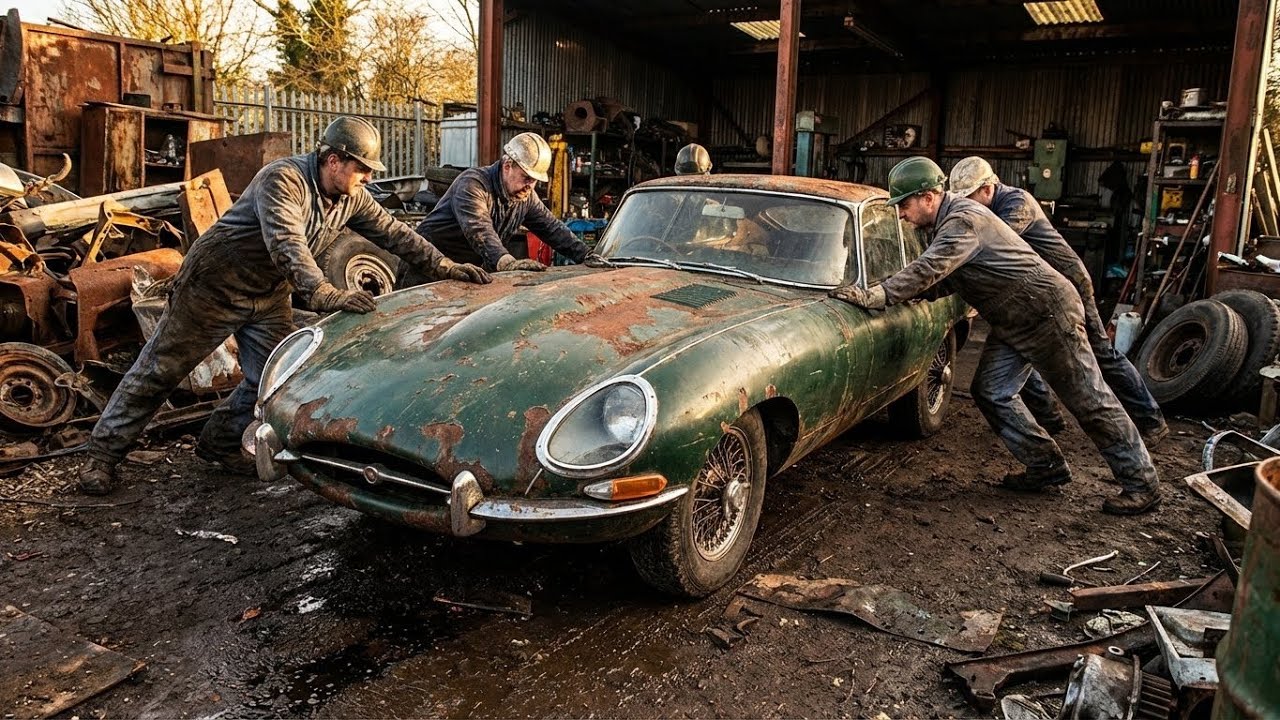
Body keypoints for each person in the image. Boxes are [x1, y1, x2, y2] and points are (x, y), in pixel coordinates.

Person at [78, 116, 491, 495]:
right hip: (215, 282)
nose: (367, 178)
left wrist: (446, 265)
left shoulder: (352, 196)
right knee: (161, 368)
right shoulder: (283, 179)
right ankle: (101, 457)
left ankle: (218, 442)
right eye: (362, 169)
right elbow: (286, 244)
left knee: (272, 378)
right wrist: (325, 293)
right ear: (334, 160)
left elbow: (395, 233)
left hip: (268, 291)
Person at [830, 156, 1160, 515]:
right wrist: (909, 295)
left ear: (928, 196)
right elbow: (949, 279)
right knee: (991, 392)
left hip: (1046, 313)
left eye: (904, 204)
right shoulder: (944, 224)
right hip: (1015, 318)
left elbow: (930, 269)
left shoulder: (962, 221)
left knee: (1089, 399)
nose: (901, 214)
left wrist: (879, 295)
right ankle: (1045, 465)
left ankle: (1141, 483)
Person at [949, 156, 1169, 446]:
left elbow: (989, 245)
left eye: (971, 198)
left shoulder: (1017, 204)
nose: (969, 206)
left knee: (1101, 353)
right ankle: (1049, 417)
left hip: (1068, 284)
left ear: (988, 189)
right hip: (1034, 294)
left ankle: (1151, 420)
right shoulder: (991, 208)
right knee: (1017, 345)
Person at [411, 132, 607, 275]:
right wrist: (506, 262)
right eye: (525, 177)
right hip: (426, 268)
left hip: (463, 272)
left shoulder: (525, 196)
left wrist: (588, 255)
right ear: (507, 166)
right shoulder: (472, 185)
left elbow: (553, 229)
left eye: (534, 180)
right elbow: (480, 231)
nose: (530, 185)